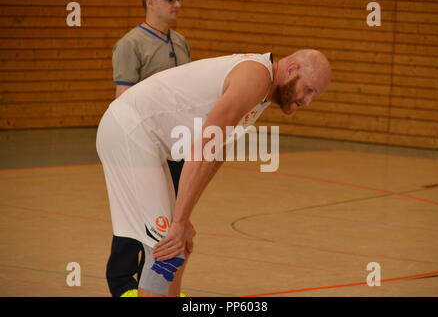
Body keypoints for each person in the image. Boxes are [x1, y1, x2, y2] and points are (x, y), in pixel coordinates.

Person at [96, 49, 332, 297]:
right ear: (292, 69)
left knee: (181, 244)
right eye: (309, 90)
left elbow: (216, 154)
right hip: (129, 132)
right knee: (166, 248)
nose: (308, 101)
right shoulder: (257, 76)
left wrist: (183, 218)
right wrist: (177, 221)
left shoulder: (261, 93)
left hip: (144, 140)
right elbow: (203, 148)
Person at [107, 0, 191, 297]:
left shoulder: (180, 41)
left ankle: (153, 286)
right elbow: (123, 98)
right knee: (137, 219)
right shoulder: (130, 43)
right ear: (151, 1)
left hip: (175, 147)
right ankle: (122, 285)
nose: (178, 4)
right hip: (142, 149)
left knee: (171, 219)